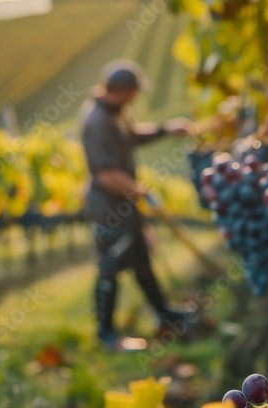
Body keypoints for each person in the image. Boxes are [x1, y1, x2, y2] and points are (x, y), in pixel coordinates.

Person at [80, 59, 193, 349]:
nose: (136, 98)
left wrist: (167, 129)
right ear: (122, 90)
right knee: (111, 265)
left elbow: (132, 136)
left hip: (123, 204)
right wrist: (138, 190)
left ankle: (163, 313)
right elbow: (105, 174)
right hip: (108, 207)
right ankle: (106, 333)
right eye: (133, 92)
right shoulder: (97, 121)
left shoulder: (115, 114)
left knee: (141, 258)